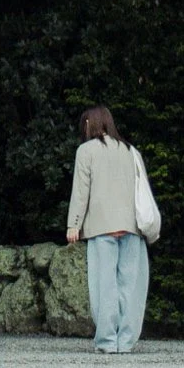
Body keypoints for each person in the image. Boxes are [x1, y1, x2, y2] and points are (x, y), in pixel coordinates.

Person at [64, 105, 151, 354]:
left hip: (102, 227)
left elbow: (81, 191)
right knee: (130, 287)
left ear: (90, 123)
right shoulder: (130, 150)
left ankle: (106, 341)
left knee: (105, 287)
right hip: (133, 227)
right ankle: (126, 341)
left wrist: (74, 225)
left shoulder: (86, 151)